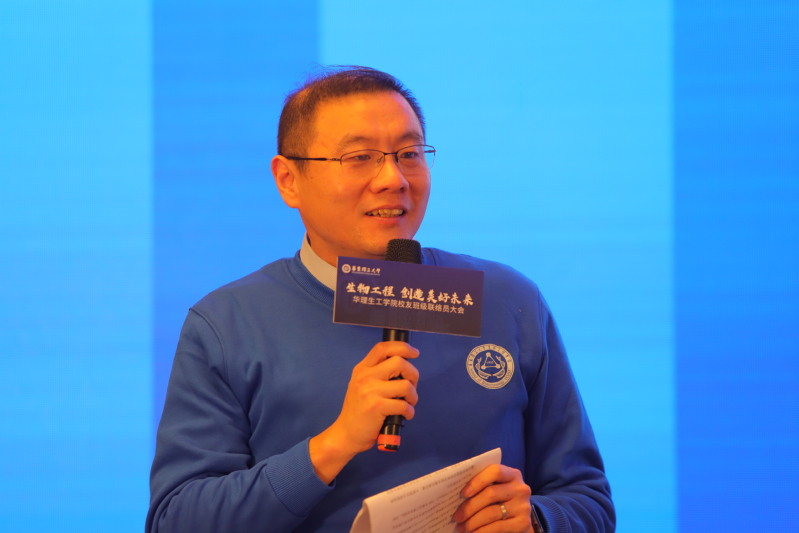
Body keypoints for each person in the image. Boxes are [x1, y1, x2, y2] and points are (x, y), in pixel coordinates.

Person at [146, 66, 615, 533]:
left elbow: (588, 500)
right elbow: (176, 520)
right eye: (360, 157)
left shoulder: (507, 300)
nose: (393, 178)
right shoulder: (227, 324)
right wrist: (334, 444)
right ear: (288, 180)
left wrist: (538, 521)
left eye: (409, 154)